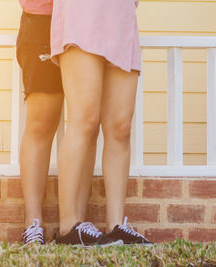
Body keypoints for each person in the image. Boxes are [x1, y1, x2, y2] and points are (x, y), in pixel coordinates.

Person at [51, 0, 152, 246]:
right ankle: (68, 226)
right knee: (84, 120)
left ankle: (117, 226)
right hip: (81, 15)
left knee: (120, 128)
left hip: (121, 19)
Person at [16, 0, 97, 244]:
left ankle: (76, 225)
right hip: (44, 20)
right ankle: (33, 224)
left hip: (85, 25)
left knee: (86, 124)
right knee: (41, 123)